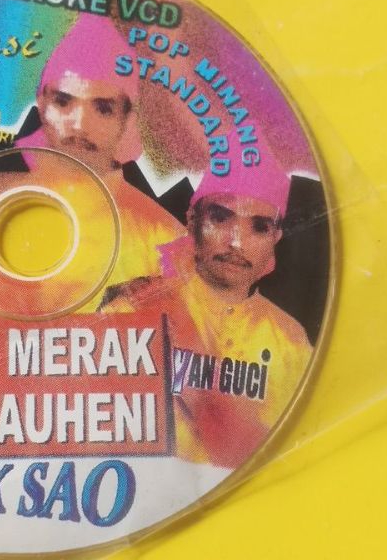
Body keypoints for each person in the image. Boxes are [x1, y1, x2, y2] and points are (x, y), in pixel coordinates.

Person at [0, 12, 185, 316]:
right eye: (63, 102)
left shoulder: (163, 235)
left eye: (103, 108)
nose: (79, 124)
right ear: (42, 104)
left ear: (126, 120)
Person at [101, 145, 312, 469]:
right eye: (221, 218)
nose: (236, 242)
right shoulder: (135, 308)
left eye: (259, 227)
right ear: (192, 221)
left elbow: (292, 450)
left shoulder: (291, 340)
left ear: (276, 237)